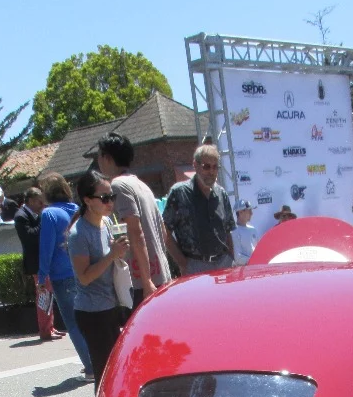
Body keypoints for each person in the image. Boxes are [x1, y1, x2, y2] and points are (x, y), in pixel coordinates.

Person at [67, 171, 130, 390]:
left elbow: (110, 260)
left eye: (112, 196)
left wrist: (118, 254)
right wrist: (111, 255)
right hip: (92, 312)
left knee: (118, 371)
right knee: (104, 376)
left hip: (111, 305)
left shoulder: (107, 223)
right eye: (104, 198)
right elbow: (84, 277)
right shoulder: (78, 234)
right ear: (87, 200)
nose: (110, 202)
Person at [96, 133, 171, 312]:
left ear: (107, 158)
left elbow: (135, 231)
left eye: (99, 156)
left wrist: (146, 281)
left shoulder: (118, 186)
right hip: (161, 273)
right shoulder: (141, 185)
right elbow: (162, 231)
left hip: (141, 282)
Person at [37, 172, 94, 380]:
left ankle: (91, 368)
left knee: (73, 323)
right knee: (90, 319)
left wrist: (41, 278)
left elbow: (46, 249)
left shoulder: (49, 214)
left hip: (62, 274)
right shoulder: (78, 209)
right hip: (86, 269)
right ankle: (99, 361)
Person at [163, 144, 235, 274]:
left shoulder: (221, 194)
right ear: (195, 165)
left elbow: (228, 230)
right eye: (206, 166)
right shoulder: (179, 193)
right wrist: (183, 263)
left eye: (215, 167)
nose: (211, 172)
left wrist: (231, 257)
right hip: (195, 265)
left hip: (224, 263)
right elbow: (164, 231)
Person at [14, 187, 63, 342]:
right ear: (30, 201)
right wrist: (44, 220)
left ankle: (50, 326)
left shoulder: (33, 215)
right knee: (44, 294)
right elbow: (29, 237)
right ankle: (45, 330)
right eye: (38, 202)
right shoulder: (21, 216)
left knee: (48, 294)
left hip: (44, 261)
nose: (42, 205)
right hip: (36, 263)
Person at [232, 200, 257, 265]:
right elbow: (238, 258)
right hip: (244, 269)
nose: (251, 213)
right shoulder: (234, 232)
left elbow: (258, 250)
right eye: (249, 211)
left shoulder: (253, 229)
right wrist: (255, 260)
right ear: (240, 212)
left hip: (255, 267)